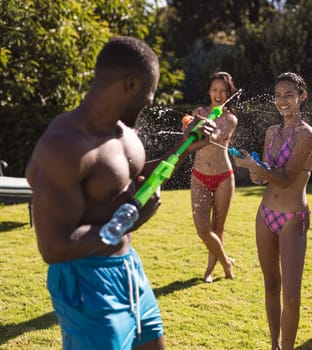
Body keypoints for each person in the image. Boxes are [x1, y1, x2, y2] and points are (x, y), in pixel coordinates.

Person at [25, 36, 215, 350]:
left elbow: (127, 180)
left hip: (128, 268)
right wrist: (127, 222)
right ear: (130, 84)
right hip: (85, 283)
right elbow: (54, 247)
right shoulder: (64, 146)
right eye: (149, 94)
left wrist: (184, 147)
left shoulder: (125, 134)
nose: (149, 103)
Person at [233, 72, 312, 350]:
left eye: (288, 95)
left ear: (301, 96)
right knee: (271, 285)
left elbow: (287, 178)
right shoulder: (271, 132)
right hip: (265, 214)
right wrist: (256, 174)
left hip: (292, 217)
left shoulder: (307, 135)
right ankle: (274, 345)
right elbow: (268, 176)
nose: (282, 101)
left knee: (291, 296)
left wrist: (254, 168)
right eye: (278, 95)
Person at [186, 72, 237, 283]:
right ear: (209, 91)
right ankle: (226, 261)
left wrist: (199, 126)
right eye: (215, 89)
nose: (218, 94)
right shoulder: (197, 113)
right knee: (203, 230)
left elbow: (212, 137)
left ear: (228, 94)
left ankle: (210, 270)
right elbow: (189, 140)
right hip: (199, 177)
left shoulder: (230, 119)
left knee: (218, 228)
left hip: (223, 176)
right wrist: (187, 127)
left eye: (223, 91)